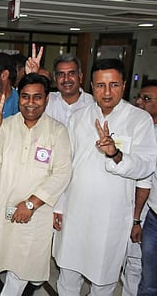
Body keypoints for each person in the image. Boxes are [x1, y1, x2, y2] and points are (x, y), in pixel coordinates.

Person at [53, 59, 157, 296]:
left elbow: (145, 168)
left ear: (124, 85)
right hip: (75, 210)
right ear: (91, 85)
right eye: (100, 85)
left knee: (103, 280)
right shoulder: (78, 117)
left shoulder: (138, 120)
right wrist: (58, 206)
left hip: (111, 217)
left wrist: (115, 153)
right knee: (68, 274)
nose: (107, 92)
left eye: (113, 85)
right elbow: (66, 164)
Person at [0, 73, 72, 296]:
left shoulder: (58, 131)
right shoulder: (5, 125)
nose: (30, 103)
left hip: (34, 214)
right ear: (19, 99)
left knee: (22, 269)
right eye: (25, 97)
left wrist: (30, 204)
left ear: (47, 99)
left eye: (37, 97)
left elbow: (62, 173)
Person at [135, 83, 157, 296]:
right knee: (147, 278)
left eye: (147, 99)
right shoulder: (138, 128)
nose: (139, 102)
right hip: (152, 218)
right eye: (139, 97)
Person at [44, 54, 93, 127]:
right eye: (61, 74)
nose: (66, 79)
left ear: (80, 77)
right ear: (55, 78)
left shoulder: (93, 104)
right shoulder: (46, 101)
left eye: (71, 73)